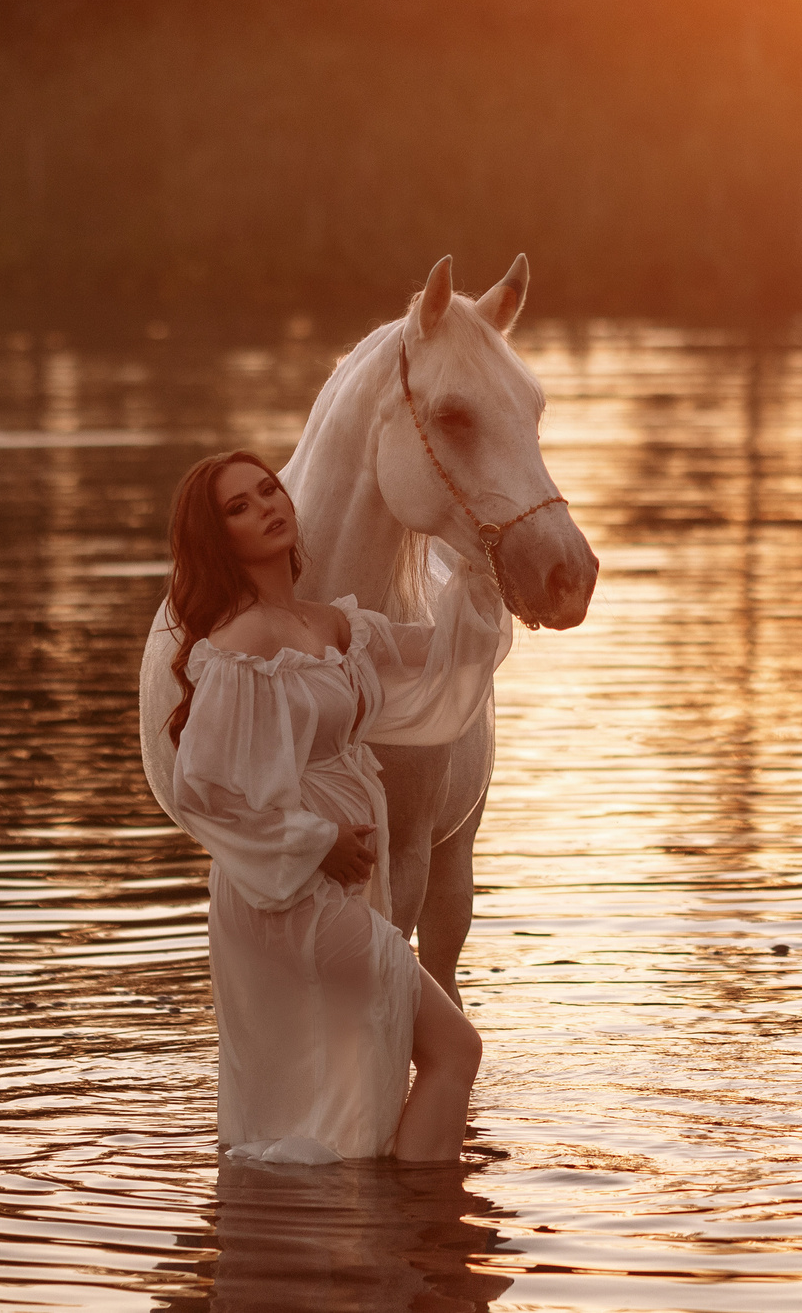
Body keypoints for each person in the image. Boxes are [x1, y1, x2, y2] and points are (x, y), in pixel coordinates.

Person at [135, 449, 512, 1164]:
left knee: (352, 1087)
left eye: (267, 489)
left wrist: (480, 566)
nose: (266, 506)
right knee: (454, 1049)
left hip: (338, 881)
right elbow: (202, 788)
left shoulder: (331, 625)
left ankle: (357, 1212)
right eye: (239, 507)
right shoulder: (241, 641)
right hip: (288, 891)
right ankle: (418, 1211)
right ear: (218, 540)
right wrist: (315, 840)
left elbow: (442, 655)